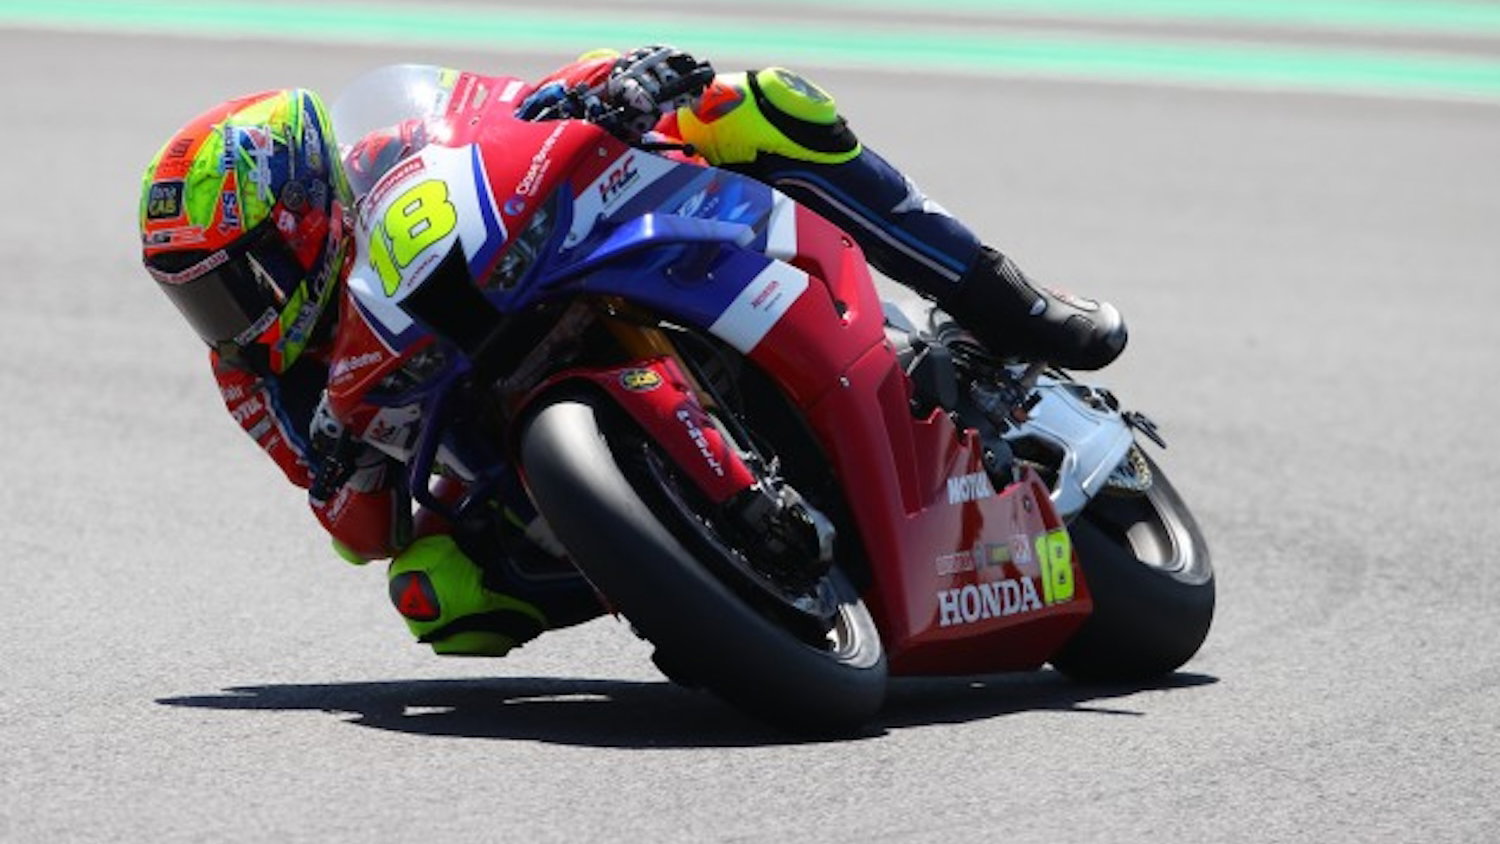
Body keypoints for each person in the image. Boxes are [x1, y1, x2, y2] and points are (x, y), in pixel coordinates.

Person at [137, 46, 1126, 658]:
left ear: (305, 211)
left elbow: (503, 112)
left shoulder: (389, 154)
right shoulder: (250, 375)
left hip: (574, 267)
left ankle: (1013, 303)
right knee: (436, 595)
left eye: (240, 278)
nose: (230, 319)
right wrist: (347, 462)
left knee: (756, 103)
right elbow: (356, 529)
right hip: (499, 453)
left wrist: (609, 83)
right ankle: (694, 586)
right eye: (200, 299)